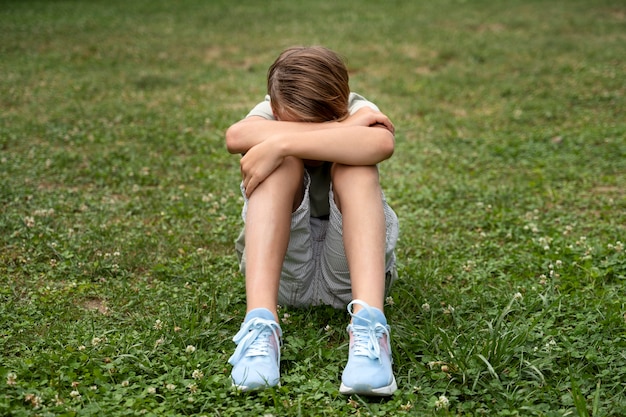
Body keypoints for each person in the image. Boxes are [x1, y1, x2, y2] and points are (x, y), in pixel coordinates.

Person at [224, 46, 399, 396]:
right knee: (281, 166)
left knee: (356, 166)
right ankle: (260, 325)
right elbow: (235, 137)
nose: (306, 133)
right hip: (285, 276)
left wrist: (282, 141)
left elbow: (381, 142)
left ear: (341, 103)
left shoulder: (357, 106)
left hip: (348, 279)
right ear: (275, 109)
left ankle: (368, 329)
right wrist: (330, 135)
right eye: (291, 122)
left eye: (324, 124)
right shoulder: (269, 110)